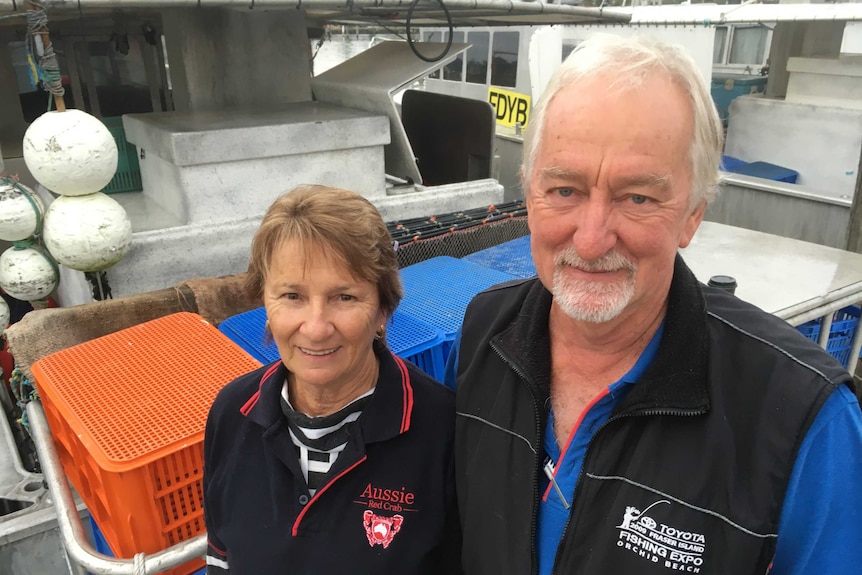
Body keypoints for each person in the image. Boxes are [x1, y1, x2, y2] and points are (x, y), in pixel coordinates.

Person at [446, 35, 862, 574]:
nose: (592, 240)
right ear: (528, 196)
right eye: (565, 190)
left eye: (637, 197)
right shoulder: (483, 333)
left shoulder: (805, 420)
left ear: (692, 213)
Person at [204, 185, 460, 574]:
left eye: (344, 297)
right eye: (292, 296)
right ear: (265, 304)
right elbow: (221, 555)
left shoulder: (445, 430)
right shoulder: (231, 412)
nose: (316, 327)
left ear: (382, 310)